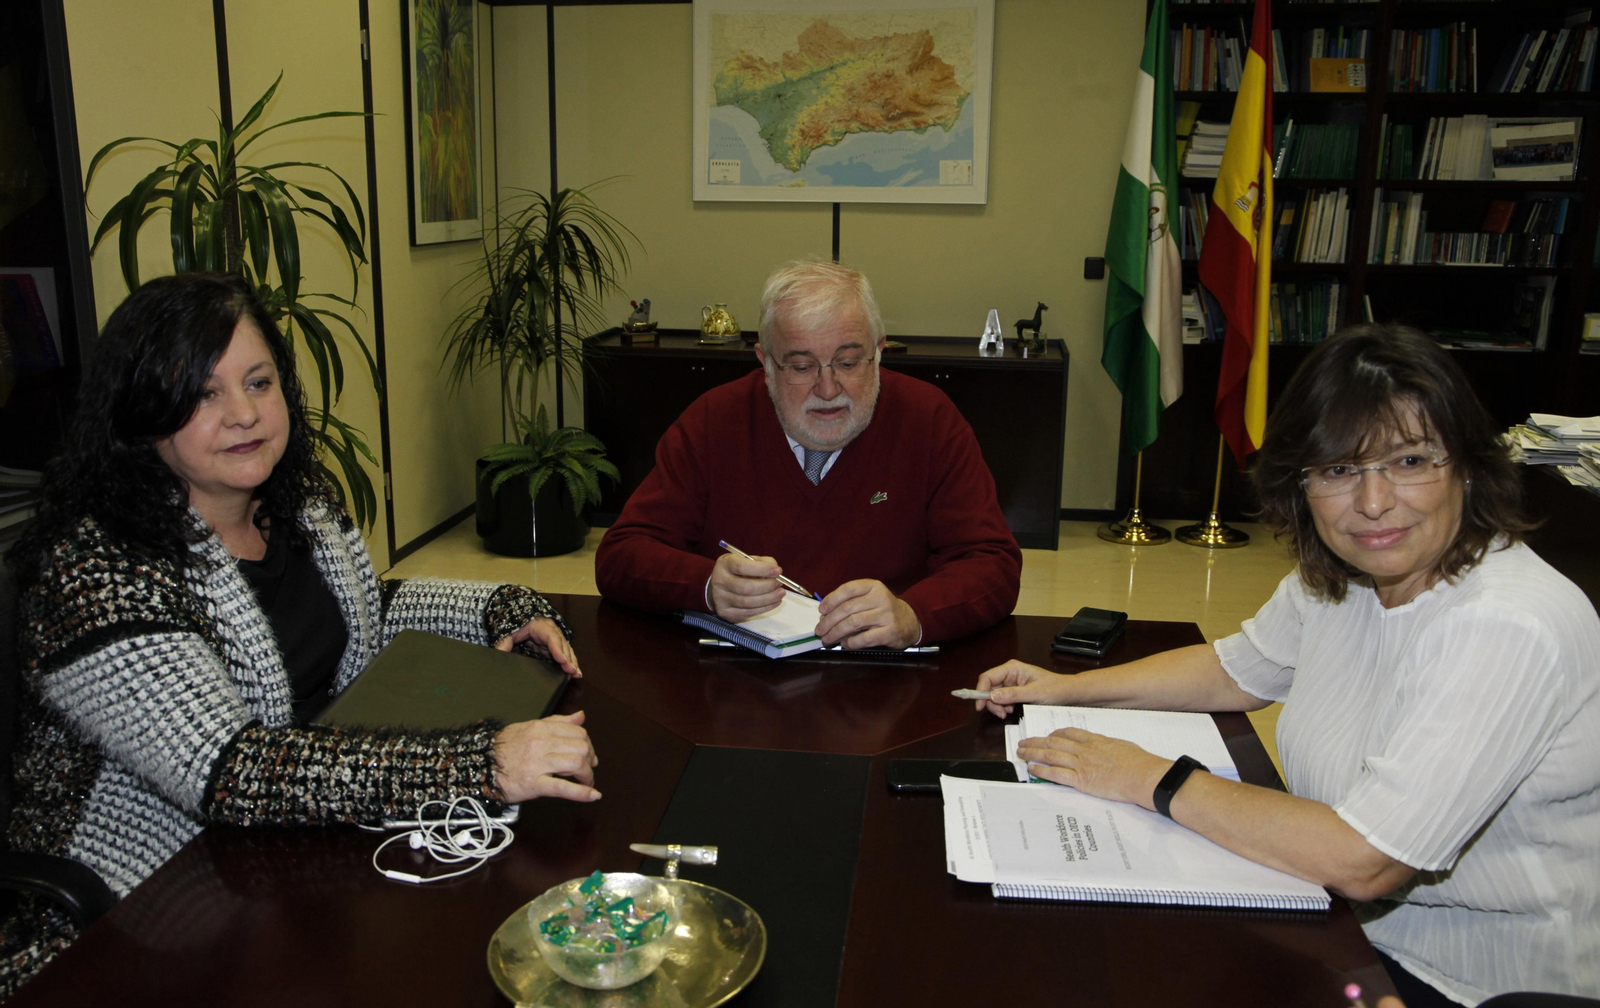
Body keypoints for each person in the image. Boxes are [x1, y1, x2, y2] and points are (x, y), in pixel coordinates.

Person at [1, 273, 600, 995]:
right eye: (202, 393)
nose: (243, 414)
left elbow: (365, 614)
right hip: (145, 901)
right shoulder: (99, 568)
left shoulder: (299, 504)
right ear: (141, 413)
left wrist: (500, 605)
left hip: (297, 850)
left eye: (258, 381)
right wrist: (483, 763)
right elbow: (230, 774)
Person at [972, 325, 1600, 1006]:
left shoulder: (1507, 624)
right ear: (1300, 485)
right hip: (1331, 920)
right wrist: (1068, 690)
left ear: (1469, 467)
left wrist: (1146, 777)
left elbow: (1364, 858)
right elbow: (1235, 671)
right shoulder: (1345, 573)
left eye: (1411, 461)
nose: (1373, 502)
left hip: (1467, 980)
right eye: (1338, 470)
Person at [594, 260, 1021, 648]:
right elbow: (621, 554)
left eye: (849, 362)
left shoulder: (928, 419)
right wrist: (705, 585)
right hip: (740, 684)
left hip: (885, 678)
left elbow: (992, 562)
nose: (828, 388)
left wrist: (913, 615)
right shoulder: (715, 420)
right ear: (764, 363)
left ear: (878, 352)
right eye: (802, 367)